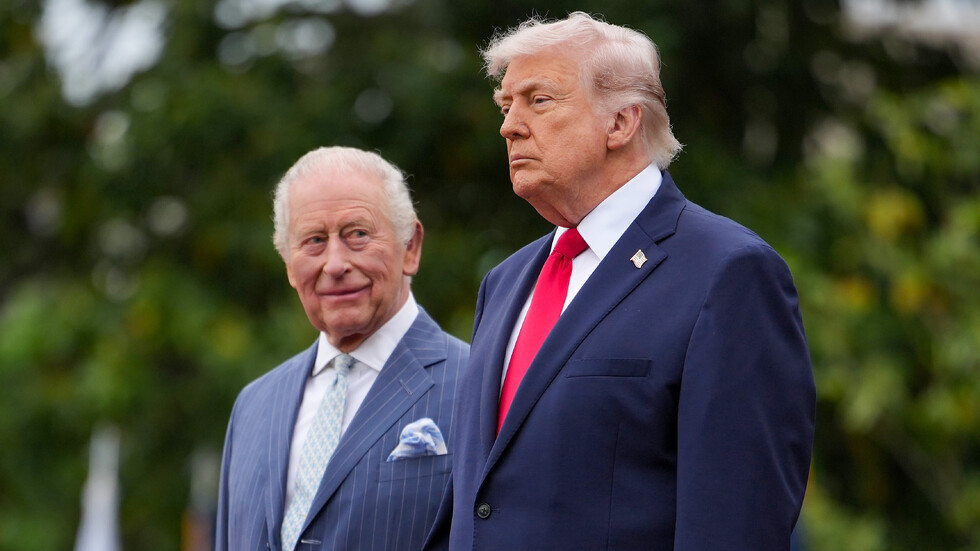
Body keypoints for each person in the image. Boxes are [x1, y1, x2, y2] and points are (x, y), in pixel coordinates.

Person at [425, 12, 814, 551]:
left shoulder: (729, 272)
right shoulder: (504, 281)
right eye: (506, 105)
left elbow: (736, 520)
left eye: (538, 100)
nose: (509, 126)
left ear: (621, 123)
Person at [216, 146, 469, 551]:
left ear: (410, 247)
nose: (335, 264)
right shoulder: (253, 406)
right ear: (288, 264)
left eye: (358, 234)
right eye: (314, 240)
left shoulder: (480, 384)